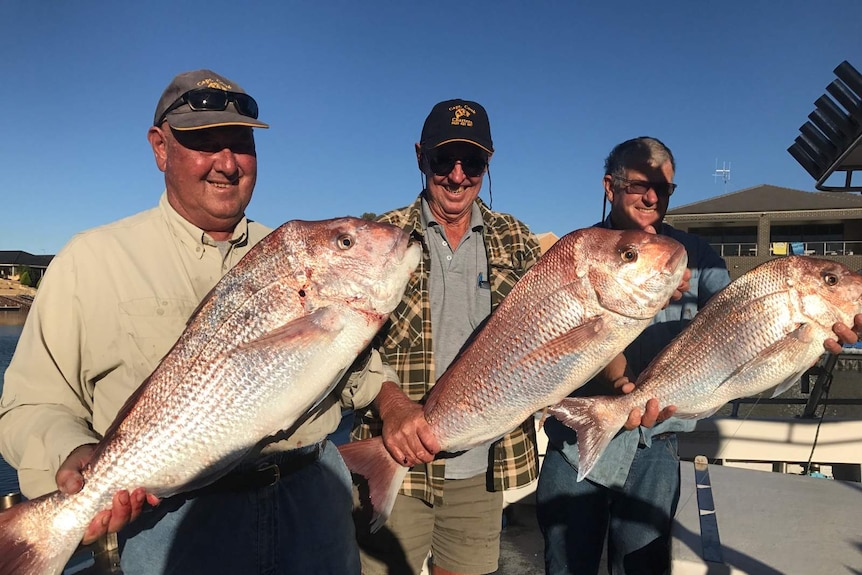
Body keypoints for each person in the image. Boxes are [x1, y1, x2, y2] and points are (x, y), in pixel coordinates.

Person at [0, 69, 386, 575]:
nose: (226, 163)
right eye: (204, 142)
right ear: (160, 148)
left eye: (240, 143)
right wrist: (73, 453)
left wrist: (397, 404)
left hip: (314, 508)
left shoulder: (299, 252)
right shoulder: (89, 260)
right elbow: (32, 403)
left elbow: (361, 373)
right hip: (177, 529)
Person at [535, 136, 862, 575]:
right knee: (566, 567)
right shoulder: (575, 257)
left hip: (658, 446)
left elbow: (740, 325)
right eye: (638, 184)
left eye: (664, 189)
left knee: (643, 568)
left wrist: (811, 343)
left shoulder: (698, 256)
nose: (652, 196)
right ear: (609, 187)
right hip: (574, 439)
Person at [350, 99, 542, 575]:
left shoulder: (517, 239)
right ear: (420, 156)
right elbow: (341, 344)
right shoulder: (379, 236)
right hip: (395, 455)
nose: (457, 176)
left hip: (481, 469)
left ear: (488, 162)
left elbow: (549, 338)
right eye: (443, 160)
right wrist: (390, 404)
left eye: (472, 161)